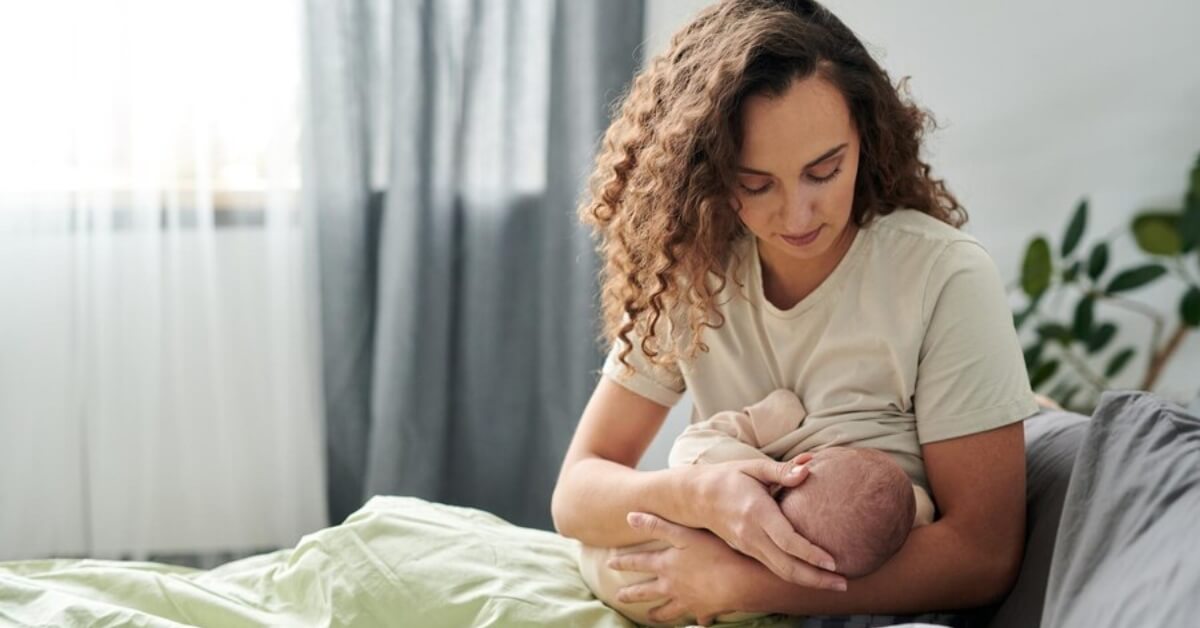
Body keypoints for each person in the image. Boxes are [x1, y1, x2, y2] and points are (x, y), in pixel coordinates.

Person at [551, 0, 1040, 625]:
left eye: (824, 171)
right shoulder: (694, 272)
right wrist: (700, 495)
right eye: (756, 184)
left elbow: (984, 555)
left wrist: (746, 586)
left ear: (866, 134)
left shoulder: (940, 276)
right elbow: (577, 493)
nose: (798, 216)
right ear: (708, 174)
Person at [579, 389, 926, 626]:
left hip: (608, 555)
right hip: (660, 606)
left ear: (801, 461)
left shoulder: (736, 468)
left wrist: (771, 415)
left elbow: (690, 445)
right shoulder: (774, 594)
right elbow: (913, 512)